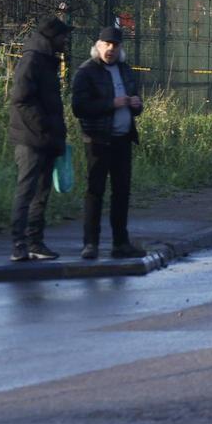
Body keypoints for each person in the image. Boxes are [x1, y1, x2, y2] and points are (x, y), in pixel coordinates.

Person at [71, 26, 147, 260]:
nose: (111, 50)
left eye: (115, 45)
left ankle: (120, 243)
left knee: (121, 192)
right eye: (106, 45)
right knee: (95, 191)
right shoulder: (87, 72)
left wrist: (136, 104)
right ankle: (90, 243)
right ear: (98, 46)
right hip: (98, 140)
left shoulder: (124, 70)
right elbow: (79, 107)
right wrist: (111, 103)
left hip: (123, 139)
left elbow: (136, 101)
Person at [7, 16, 72, 261]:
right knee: (26, 191)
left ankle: (35, 242)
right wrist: (42, 127)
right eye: (63, 36)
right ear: (51, 37)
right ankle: (19, 244)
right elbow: (20, 98)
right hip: (31, 139)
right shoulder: (33, 60)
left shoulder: (45, 61)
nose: (65, 40)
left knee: (41, 193)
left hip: (45, 139)